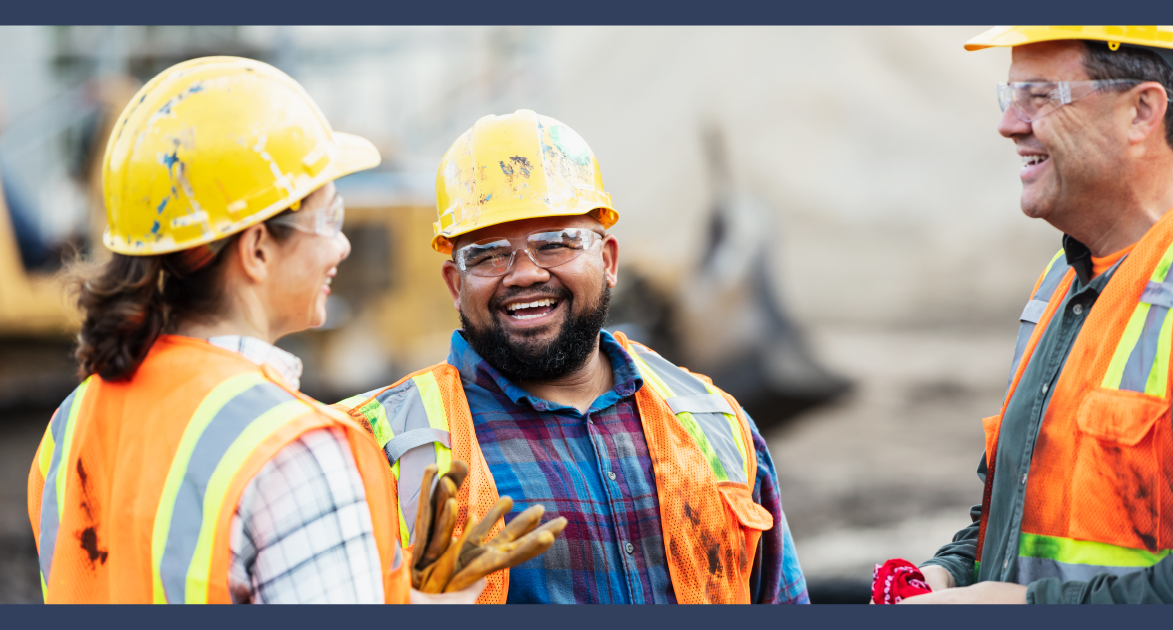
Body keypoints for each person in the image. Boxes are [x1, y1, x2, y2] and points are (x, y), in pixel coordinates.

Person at [336, 109, 808, 604]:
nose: (523, 273)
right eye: (488, 254)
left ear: (607, 261)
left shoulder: (714, 420)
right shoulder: (371, 446)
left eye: (555, 244)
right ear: (456, 285)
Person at [27, 56, 414, 604]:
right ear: (257, 249)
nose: (342, 245)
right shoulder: (295, 448)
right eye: (329, 219)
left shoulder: (71, 424)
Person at [901, 26, 1173, 604]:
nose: (1010, 123)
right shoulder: (1062, 282)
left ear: (1143, 111)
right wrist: (954, 570)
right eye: (1009, 96)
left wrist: (1023, 607)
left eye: (1040, 96)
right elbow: (1029, 519)